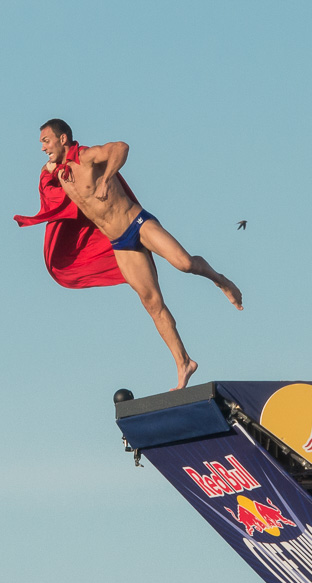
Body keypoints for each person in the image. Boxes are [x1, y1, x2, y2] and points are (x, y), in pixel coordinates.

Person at [15, 119, 242, 390]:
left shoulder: (87, 157)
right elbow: (48, 188)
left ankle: (219, 279)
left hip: (138, 223)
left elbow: (121, 147)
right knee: (151, 303)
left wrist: (106, 178)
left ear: (63, 139)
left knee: (184, 263)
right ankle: (184, 362)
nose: (42, 147)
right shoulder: (59, 173)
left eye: (46, 140)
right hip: (120, 243)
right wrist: (50, 169)